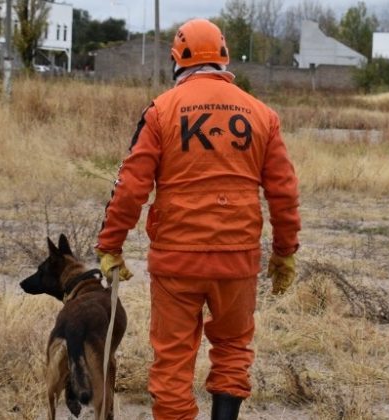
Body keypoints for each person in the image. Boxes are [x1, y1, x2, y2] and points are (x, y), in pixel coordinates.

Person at [95, 18, 300, 420]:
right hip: (237, 259)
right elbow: (284, 192)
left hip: (177, 261)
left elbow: (131, 186)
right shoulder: (262, 115)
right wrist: (284, 252)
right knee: (233, 349)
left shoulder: (160, 111)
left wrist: (110, 246)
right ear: (224, 59)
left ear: (177, 61)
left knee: (172, 362)